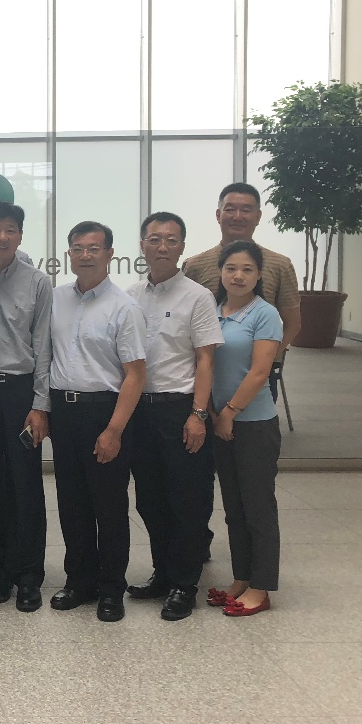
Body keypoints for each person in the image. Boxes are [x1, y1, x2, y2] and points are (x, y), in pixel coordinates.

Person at [182, 182, 299, 559]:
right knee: (206, 479)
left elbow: (292, 322)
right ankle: (201, 551)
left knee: (253, 487)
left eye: (246, 209)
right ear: (218, 214)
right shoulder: (196, 265)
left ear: (258, 216)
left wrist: (262, 364)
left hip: (253, 390)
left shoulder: (278, 264)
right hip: (204, 392)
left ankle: (257, 574)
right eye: (229, 208)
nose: (237, 215)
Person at [125, 213, 224, 621]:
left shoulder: (197, 297)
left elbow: (206, 360)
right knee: (150, 499)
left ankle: (185, 584)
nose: (162, 246)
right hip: (140, 411)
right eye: (154, 239)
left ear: (182, 247)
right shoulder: (131, 295)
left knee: (187, 499)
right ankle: (163, 573)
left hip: (180, 410)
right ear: (142, 246)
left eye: (171, 239)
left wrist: (198, 414)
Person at [47, 221, 146, 623]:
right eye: (77, 248)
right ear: (68, 253)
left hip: (104, 412)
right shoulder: (56, 298)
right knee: (71, 503)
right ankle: (79, 581)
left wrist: (114, 430)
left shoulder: (124, 307)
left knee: (109, 506)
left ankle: (111, 588)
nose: (85, 255)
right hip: (63, 411)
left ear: (109, 254)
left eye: (93, 248)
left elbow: (135, 374)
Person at [0, 201, 52, 614]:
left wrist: (41, 405)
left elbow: (43, 347)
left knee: (25, 485)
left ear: (20, 236)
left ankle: (28, 575)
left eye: (10, 230)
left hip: (21, 392)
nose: (2, 237)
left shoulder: (38, 282)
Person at [208, 241, 284, 618]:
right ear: (221, 272)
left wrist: (229, 413)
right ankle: (242, 577)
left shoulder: (265, 313)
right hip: (219, 422)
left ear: (258, 275)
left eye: (247, 269)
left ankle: (262, 586)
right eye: (231, 268)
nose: (238, 276)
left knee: (258, 508)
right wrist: (212, 414)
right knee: (234, 508)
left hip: (253, 425)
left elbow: (259, 371)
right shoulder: (212, 310)